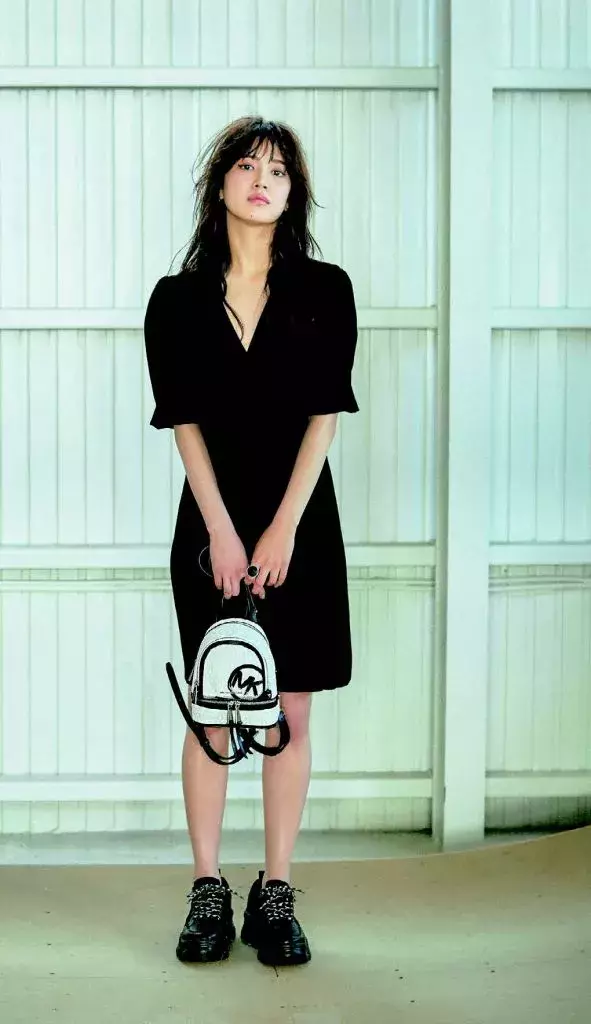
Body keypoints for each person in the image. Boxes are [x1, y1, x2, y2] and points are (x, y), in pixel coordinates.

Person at [143, 115, 359, 968]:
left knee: (288, 710)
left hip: (299, 523)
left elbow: (324, 418)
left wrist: (280, 527)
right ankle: (207, 889)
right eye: (245, 165)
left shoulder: (325, 289)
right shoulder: (175, 299)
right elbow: (183, 423)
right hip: (210, 527)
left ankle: (275, 893)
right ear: (220, 185)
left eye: (277, 169)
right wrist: (223, 530)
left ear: (292, 191)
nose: (261, 179)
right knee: (215, 709)